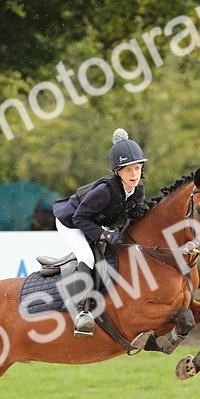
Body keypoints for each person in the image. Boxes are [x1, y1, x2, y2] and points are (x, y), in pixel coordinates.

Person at [52, 128, 148, 336]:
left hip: (94, 221)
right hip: (71, 222)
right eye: (128, 170)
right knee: (87, 256)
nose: (134, 174)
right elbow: (79, 218)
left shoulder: (138, 189)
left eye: (138, 168)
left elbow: (136, 214)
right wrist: (104, 234)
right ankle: (81, 312)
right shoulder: (104, 191)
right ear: (117, 172)